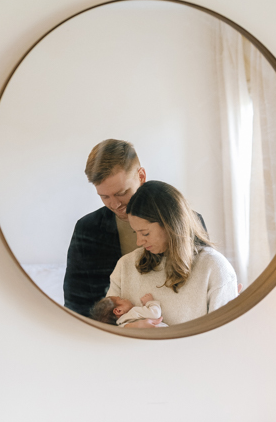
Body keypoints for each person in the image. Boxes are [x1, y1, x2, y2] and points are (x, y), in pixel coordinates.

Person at [63, 139, 207, 316]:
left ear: (141, 176)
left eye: (121, 193)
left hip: (176, 333)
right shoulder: (87, 229)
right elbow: (75, 304)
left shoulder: (189, 221)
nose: (115, 204)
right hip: (110, 335)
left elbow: (203, 284)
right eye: (104, 196)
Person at [106, 180, 237, 326]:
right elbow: (105, 328)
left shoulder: (215, 268)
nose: (138, 242)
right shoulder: (126, 265)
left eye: (145, 233)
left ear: (170, 225)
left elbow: (223, 338)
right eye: (135, 232)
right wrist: (129, 328)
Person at [89, 292, 167, 328]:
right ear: (118, 311)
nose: (126, 298)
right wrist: (150, 302)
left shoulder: (121, 327)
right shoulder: (133, 312)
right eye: (121, 299)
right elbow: (155, 313)